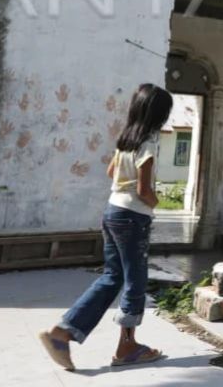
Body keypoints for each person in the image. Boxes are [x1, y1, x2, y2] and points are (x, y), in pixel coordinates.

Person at [39, 83, 173, 371]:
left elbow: (111, 171)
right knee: (135, 281)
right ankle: (127, 346)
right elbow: (143, 189)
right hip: (132, 217)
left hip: (112, 211)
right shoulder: (148, 143)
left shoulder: (125, 140)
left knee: (112, 277)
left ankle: (63, 333)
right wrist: (155, 202)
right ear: (160, 115)